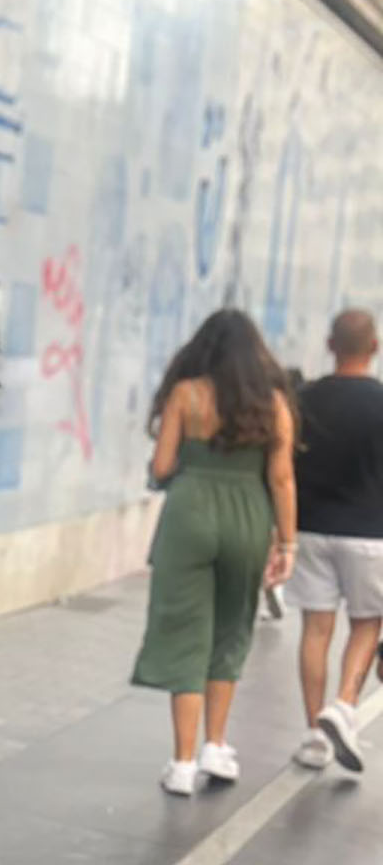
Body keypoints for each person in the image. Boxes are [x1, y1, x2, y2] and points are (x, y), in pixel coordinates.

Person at [132, 310, 297, 797]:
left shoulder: (187, 395)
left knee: (185, 629)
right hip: (248, 515)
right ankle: (216, 746)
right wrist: (287, 543)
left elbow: (162, 466)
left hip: (189, 514)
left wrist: (182, 467)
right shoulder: (273, 404)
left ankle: (181, 763)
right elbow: (283, 479)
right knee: (230, 628)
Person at [289, 309, 383, 773]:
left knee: (315, 629)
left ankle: (313, 736)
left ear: (330, 345)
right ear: (376, 347)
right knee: (367, 622)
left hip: (311, 526)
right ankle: (344, 705)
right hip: (370, 530)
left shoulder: (305, 399)